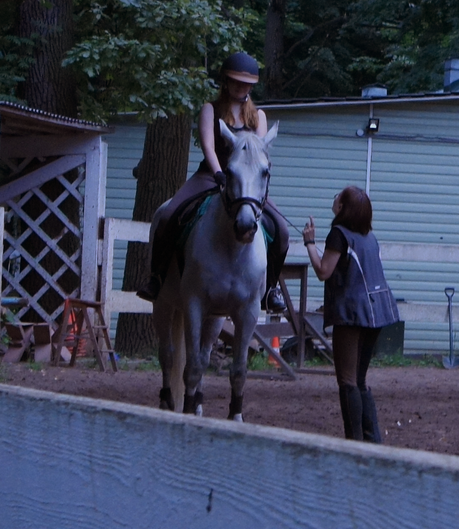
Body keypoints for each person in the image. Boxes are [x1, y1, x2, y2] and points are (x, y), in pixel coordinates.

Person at [137, 52, 289, 304]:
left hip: (246, 185)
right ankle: (157, 277)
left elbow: (259, 151)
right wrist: (219, 174)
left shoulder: (258, 116)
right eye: (236, 82)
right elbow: (208, 145)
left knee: (281, 229)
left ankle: (271, 288)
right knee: (168, 214)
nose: (242, 87)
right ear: (225, 82)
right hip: (211, 174)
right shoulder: (211, 109)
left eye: (247, 84)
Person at [302, 186, 399, 443]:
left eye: (338, 197)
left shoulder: (338, 234)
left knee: (347, 380)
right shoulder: (370, 237)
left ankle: (353, 442)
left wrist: (310, 243)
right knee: (360, 378)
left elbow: (324, 271)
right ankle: (372, 440)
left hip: (352, 313)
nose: (334, 199)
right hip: (378, 312)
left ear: (343, 208)